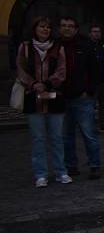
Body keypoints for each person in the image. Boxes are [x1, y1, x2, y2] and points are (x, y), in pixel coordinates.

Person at [16, 16, 72, 188]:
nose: (45, 30)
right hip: (33, 97)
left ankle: (60, 171)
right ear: (35, 29)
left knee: (57, 137)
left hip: (54, 97)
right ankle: (41, 174)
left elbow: (62, 70)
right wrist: (34, 84)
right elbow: (21, 69)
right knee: (38, 138)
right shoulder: (25, 47)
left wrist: (47, 83)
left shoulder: (58, 47)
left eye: (48, 27)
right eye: (41, 27)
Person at [59, 17, 101, 180]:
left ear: (76, 29)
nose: (67, 29)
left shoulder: (86, 46)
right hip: (62, 97)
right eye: (64, 26)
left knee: (88, 133)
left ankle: (94, 165)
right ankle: (70, 165)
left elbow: (94, 70)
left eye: (70, 26)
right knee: (66, 135)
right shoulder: (55, 46)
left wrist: (89, 91)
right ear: (59, 28)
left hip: (82, 97)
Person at [88, 24, 104, 133]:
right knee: (91, 105)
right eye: (94, 31)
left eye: (98, 31)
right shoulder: (87, 46)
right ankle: (90, 126)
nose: (96, 33)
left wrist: (101, 59)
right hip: (92, 80)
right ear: (90, 34)